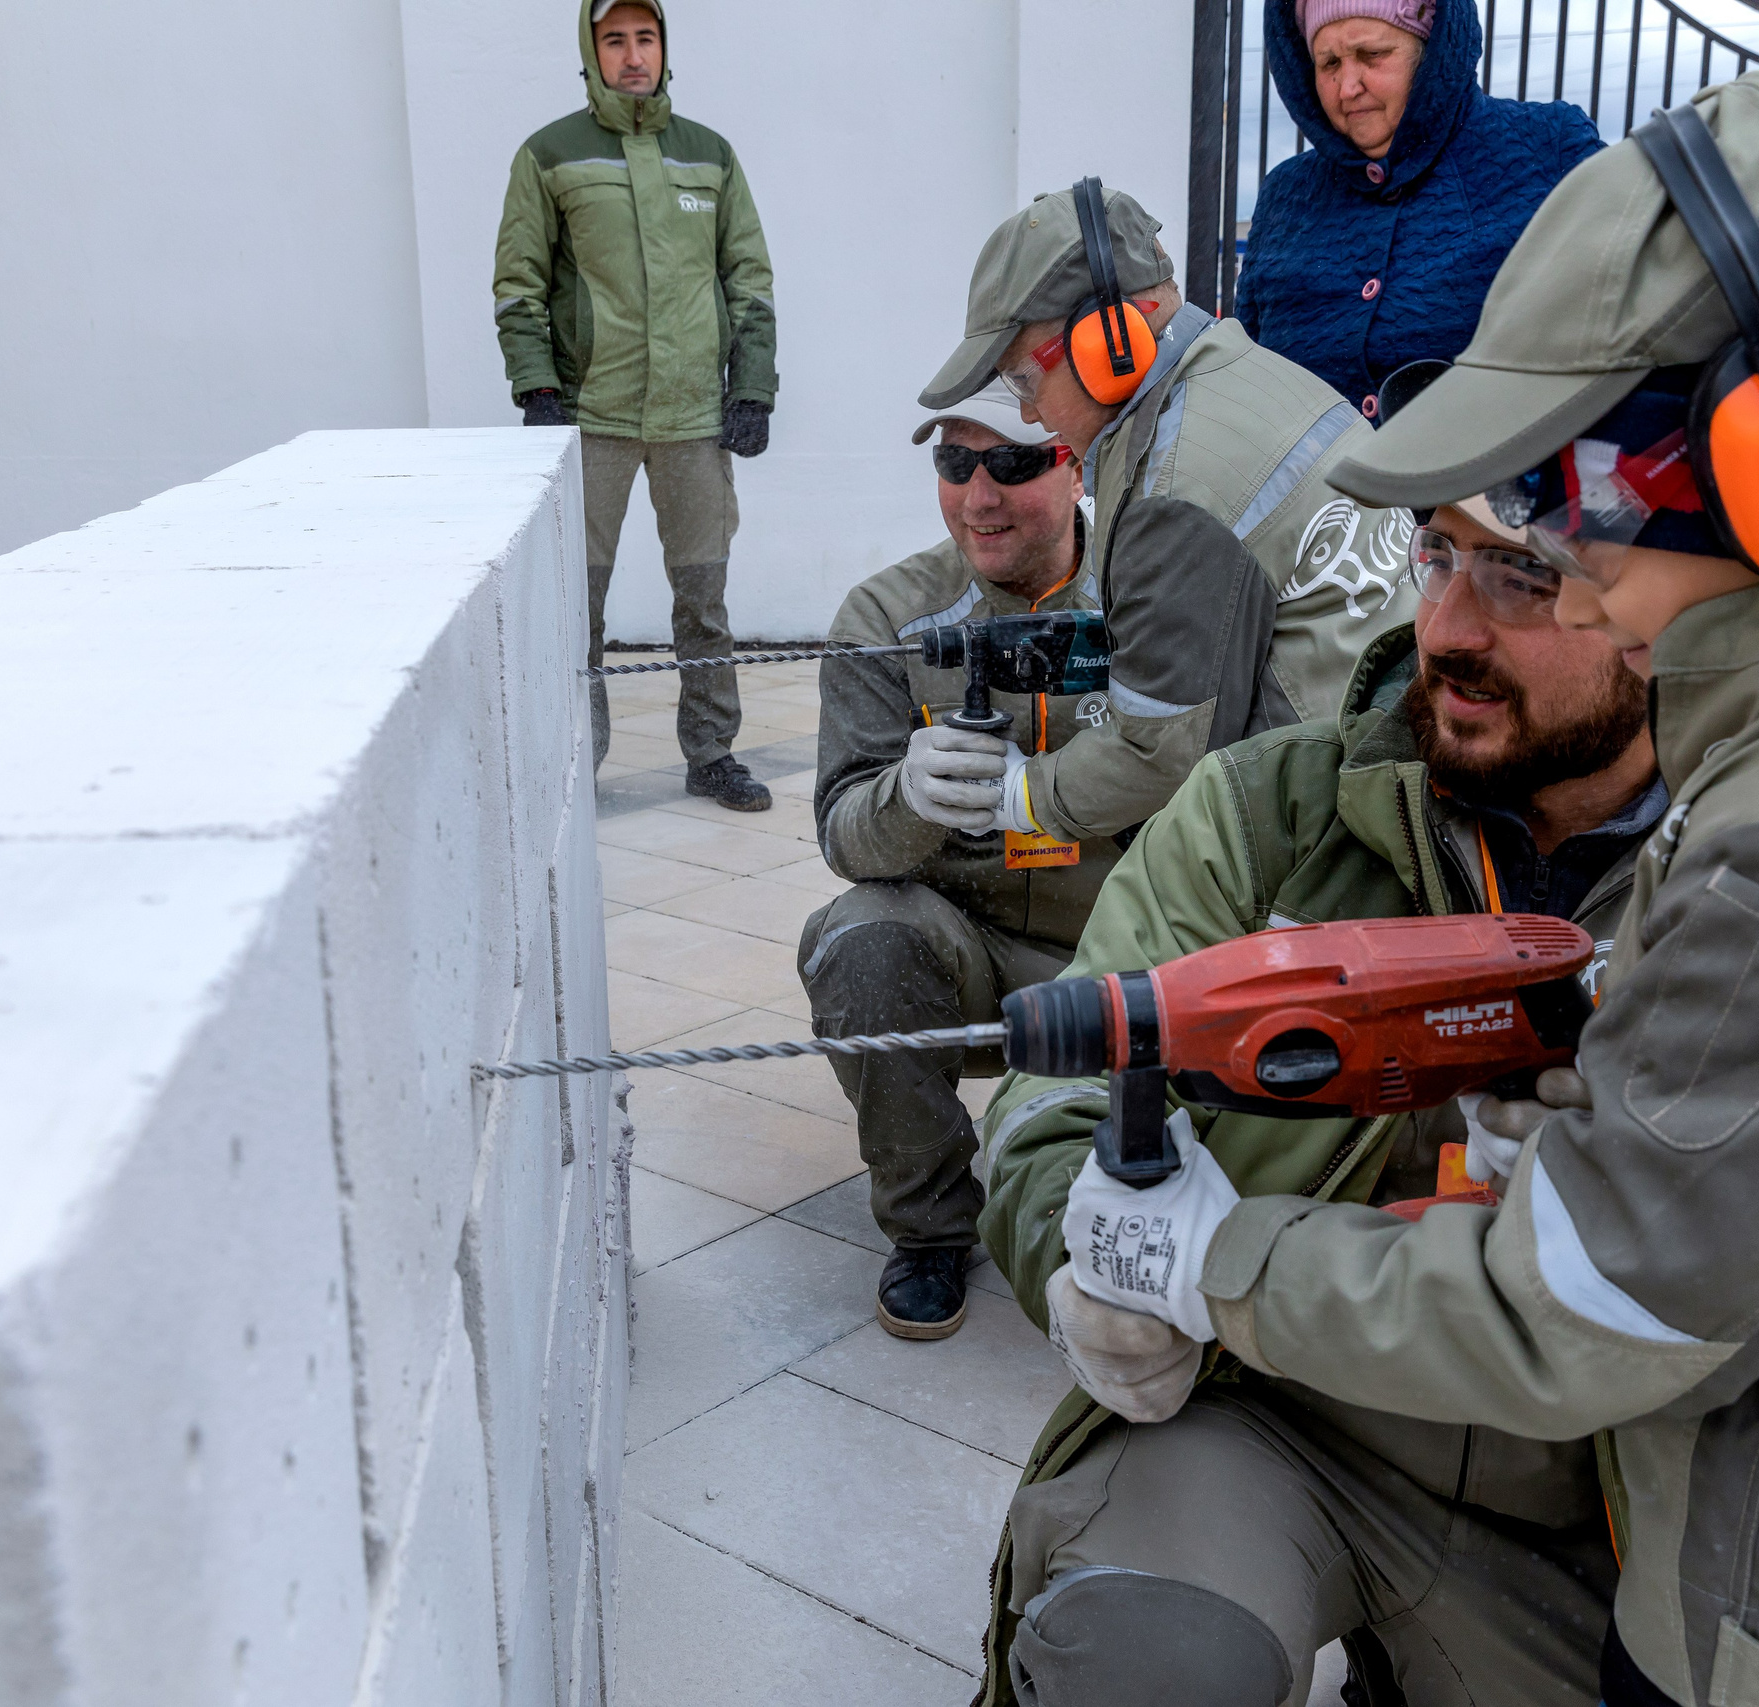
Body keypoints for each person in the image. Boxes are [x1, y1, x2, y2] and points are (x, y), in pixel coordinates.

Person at [1008, 71, 1759, 1707]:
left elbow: (1584, 1306)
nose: (1556, 583)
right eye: (1452, 551)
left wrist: (1222, 1259)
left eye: (1568, 520)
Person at [972, 497, 1663, 1704]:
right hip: (1277, 1416)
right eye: (1434, 555)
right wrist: (1071, 1253)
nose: (1444, 627)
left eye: (1521, 575)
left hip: (1600, 1494)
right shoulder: (1273, 811)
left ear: (1664, 608)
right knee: (1146, 1668)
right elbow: (1053, 1097)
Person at [803, 382, 1276, 1338]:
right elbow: (843, 831)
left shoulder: (1157, 601)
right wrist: (906, 798)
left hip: (1133, 949)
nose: (980, 495)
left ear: (1076, 461)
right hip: (969, 955)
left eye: (1014, 463)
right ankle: (932, 1225)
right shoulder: (888, 615)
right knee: (860, 942)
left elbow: (1250, 789)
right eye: (955, 464)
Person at [923, 181, 1418, 769]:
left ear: (1109, 342)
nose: (1030, 413)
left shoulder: (1174, 487)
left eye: (1026, 380)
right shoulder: (1257, 378)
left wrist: (1021, 797)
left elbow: (1159, 754)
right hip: (1391, 752)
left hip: (1322, 811)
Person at [494, 0, 779, 809]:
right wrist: (540, 388)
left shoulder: (710, 156)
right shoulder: (549, 155)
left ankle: (712, 751)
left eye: (644, 38)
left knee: (704, 597)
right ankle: (577, 765)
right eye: (613, 39)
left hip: (694, 420)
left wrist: (751, 387)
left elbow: (749, 280)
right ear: (590, 49)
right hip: (595, 418)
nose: (631, 55)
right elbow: (518, 285)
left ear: (663, 48)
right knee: (575, 605)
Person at [1238, 0, 1602, 425]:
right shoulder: (1286, 196)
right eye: (1329, 62)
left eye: (1372, 55)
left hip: (1497, 482)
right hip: (1315, 490)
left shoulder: (1547, 149)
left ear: (1433, 49)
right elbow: (1249, 376)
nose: (1348, 86)